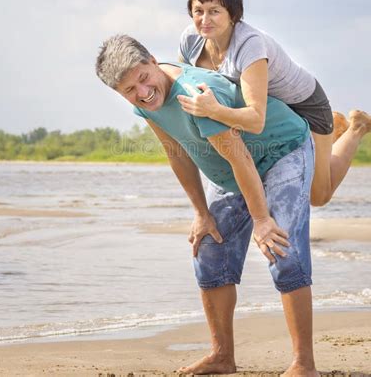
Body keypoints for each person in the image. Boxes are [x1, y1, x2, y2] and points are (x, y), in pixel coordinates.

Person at [96, 34, 319, 376]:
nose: (142, 92)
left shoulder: (195, 93)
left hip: (281, 152)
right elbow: (177, 152)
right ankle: (222, 357)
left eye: (143, 79)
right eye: (129, 90)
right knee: (209, 251)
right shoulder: (144, 104)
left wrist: (262, 219)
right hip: (233, 171)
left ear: (153, 61)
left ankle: (304, 364)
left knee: (281, 248)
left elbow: (241, 157)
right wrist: (201, 213)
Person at [177, 0, 371, 207]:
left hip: (304, 105)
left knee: (319, 196)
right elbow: (182, 80)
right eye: (198, 11)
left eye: (214, 11)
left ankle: (356, 128)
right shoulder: (191, 40)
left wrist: (214, 110)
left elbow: (256, 120)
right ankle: (332, 133)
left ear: (233, 15)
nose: (204, 19)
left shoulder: (249, 44)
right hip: (272, 111)